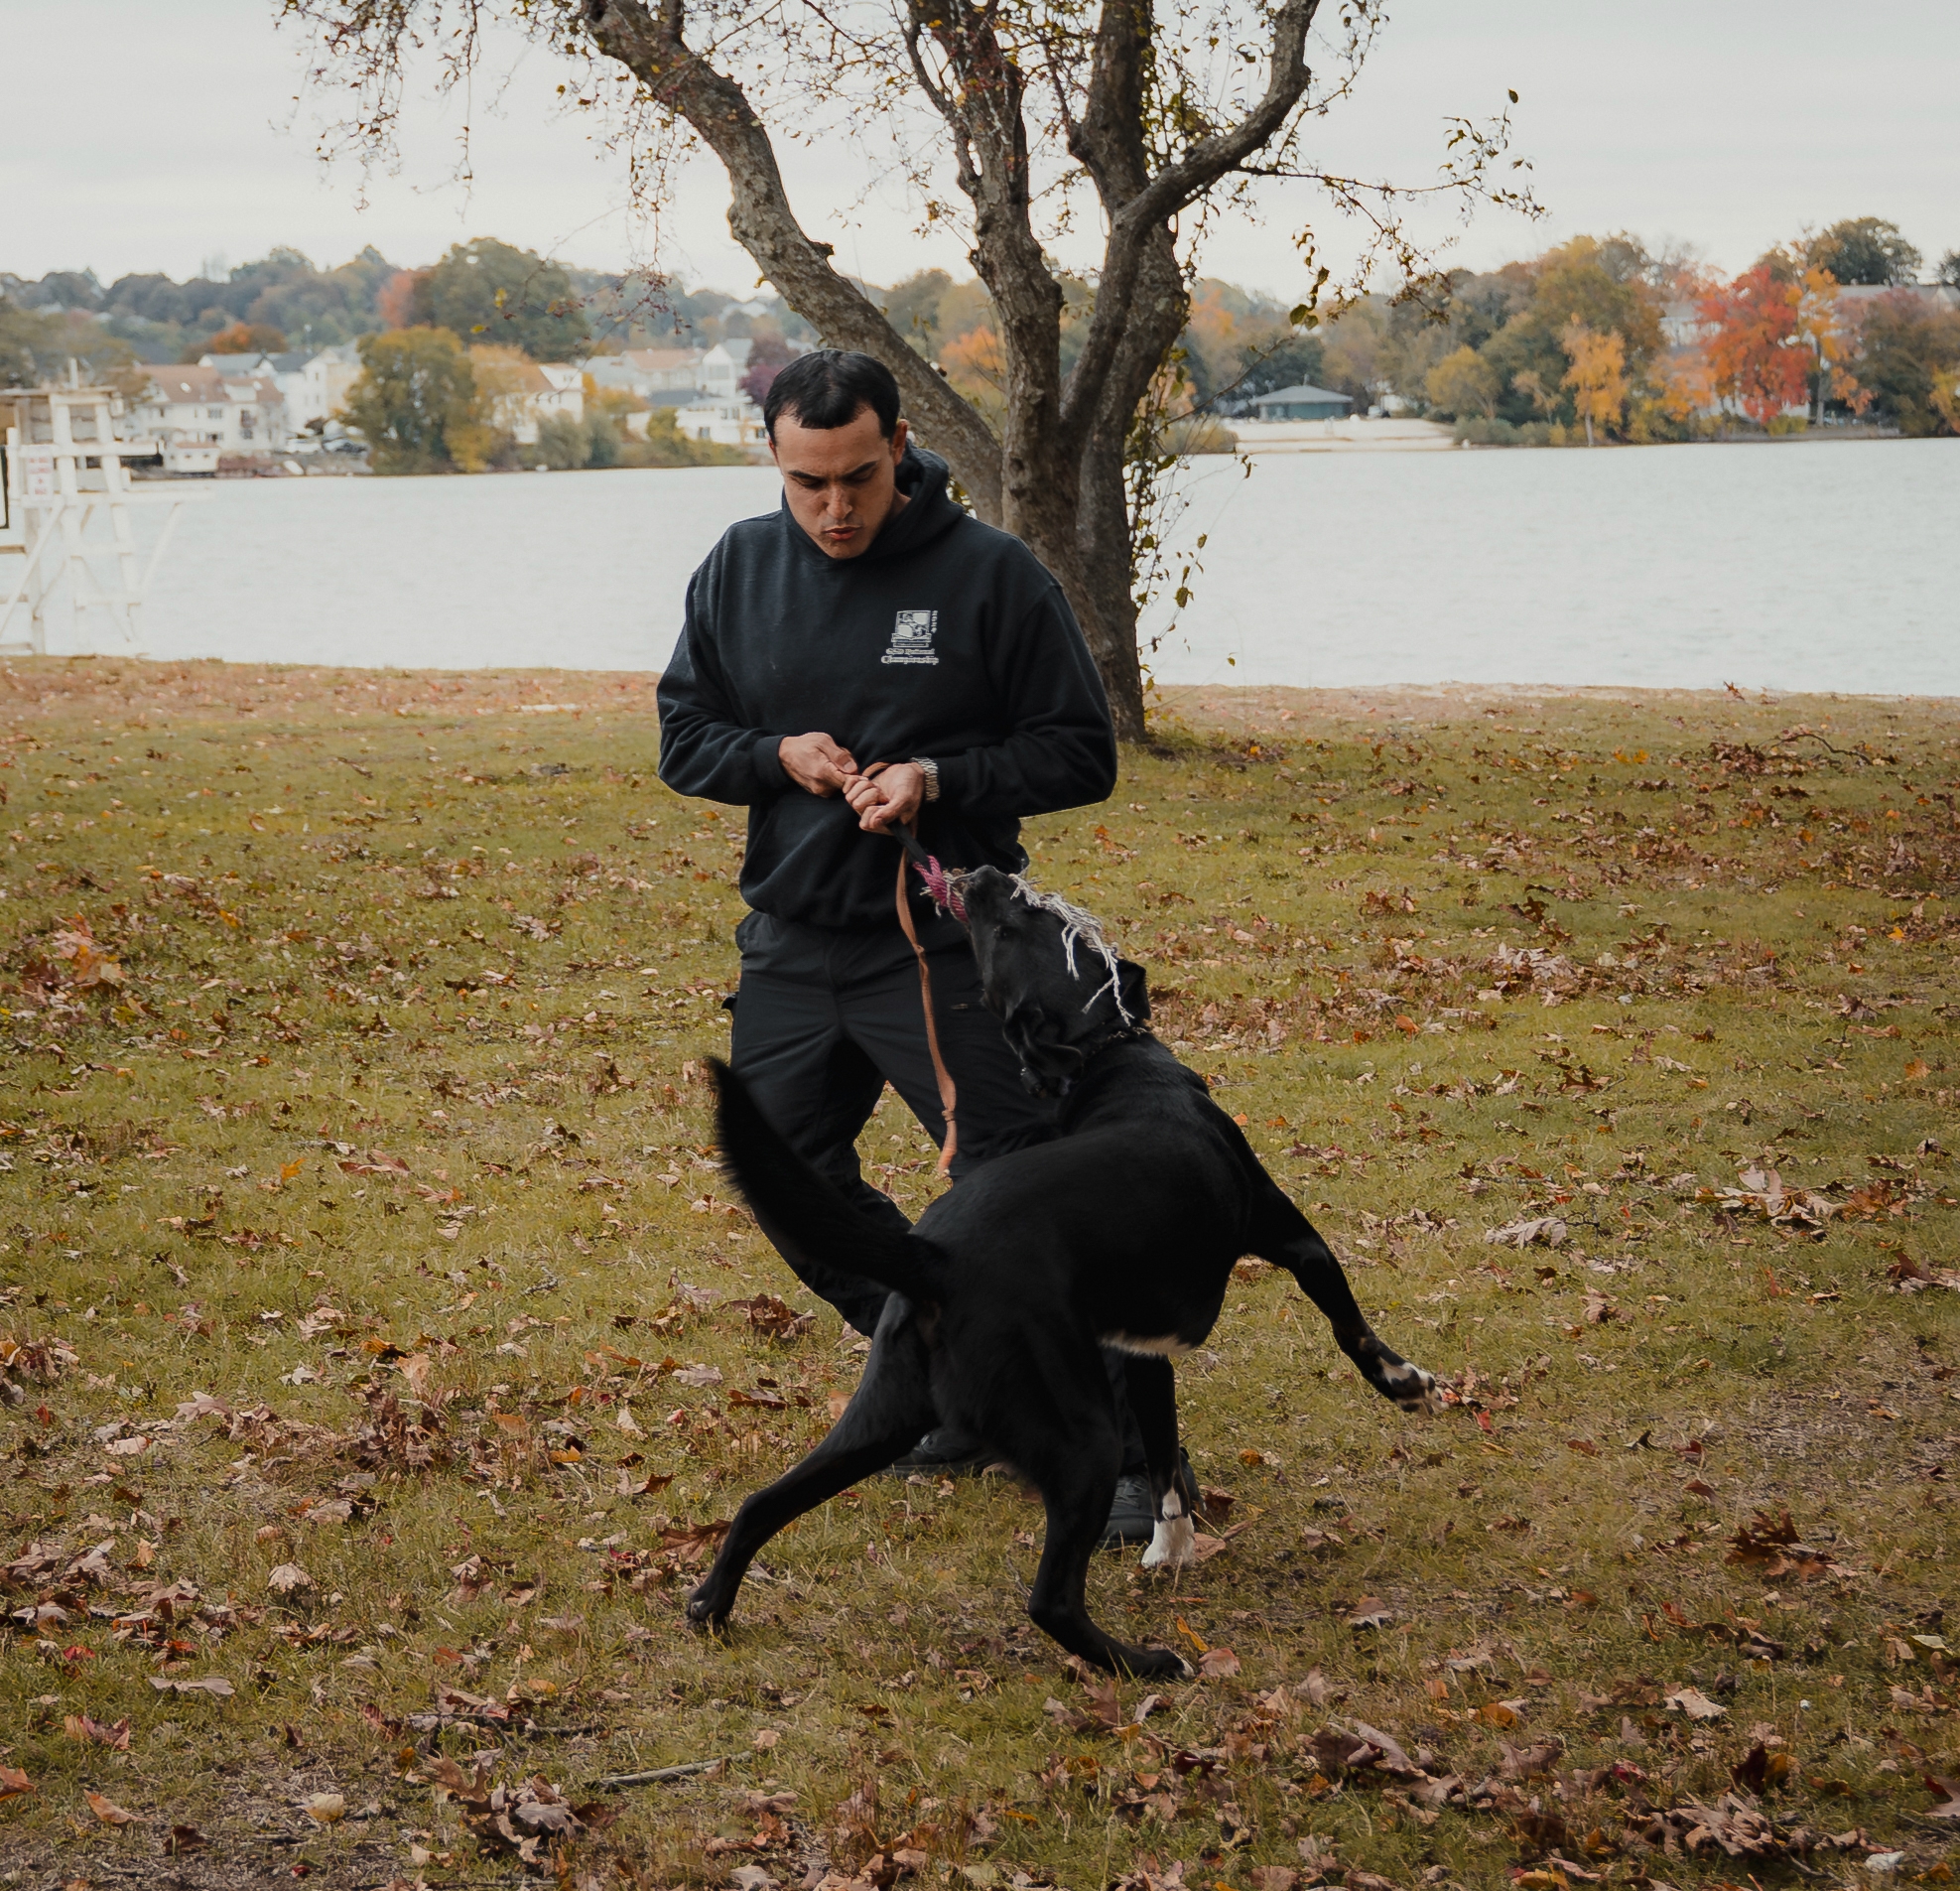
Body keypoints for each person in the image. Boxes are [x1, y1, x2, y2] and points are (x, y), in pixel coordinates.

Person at [656, 348, 1159, 1541]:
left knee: (1027, 1202)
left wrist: (938, 778)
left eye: (860, 480)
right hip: (789, 938)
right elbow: (685, 736)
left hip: (941, 947)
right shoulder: (736, 565)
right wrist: (775, 756)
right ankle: (956, 1360)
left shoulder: (990, 576)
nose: (835, 509)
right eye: (808, 483)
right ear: (774, 460)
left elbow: (1080, 753)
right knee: (786, 1182)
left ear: (900, 450)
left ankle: (1131, 1456)